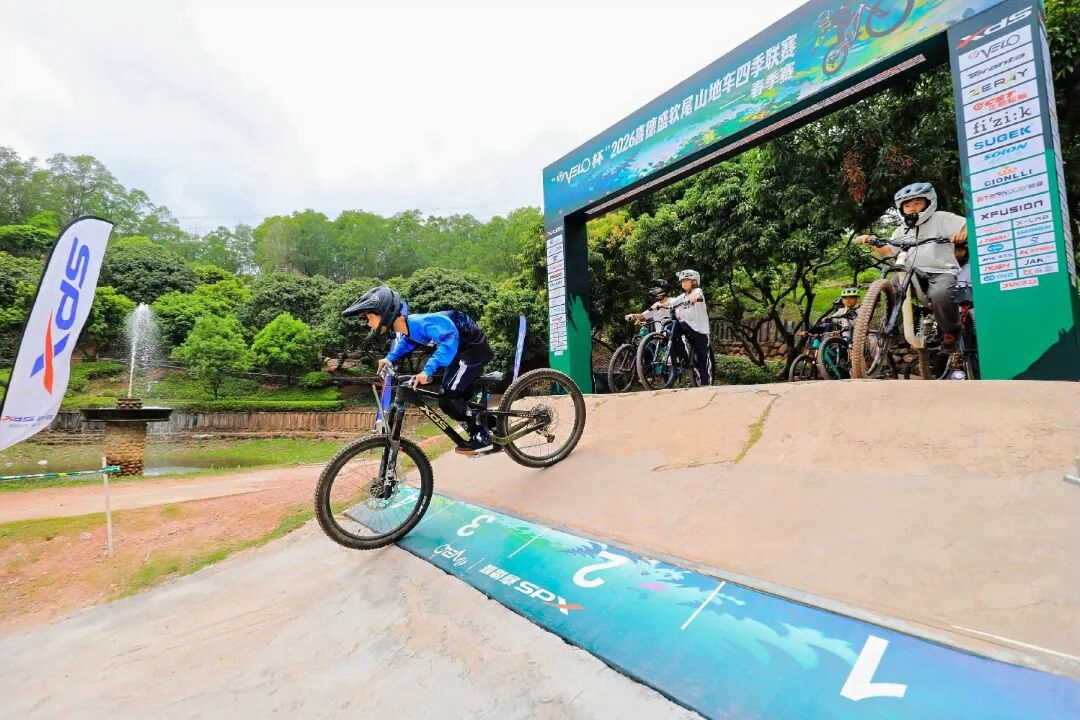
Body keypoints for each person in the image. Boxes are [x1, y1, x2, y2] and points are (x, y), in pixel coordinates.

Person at [343, 285, 495, 455]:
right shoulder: (408, 327)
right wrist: (389, 359)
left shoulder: (423, 322)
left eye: (369, 317)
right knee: (455, 397)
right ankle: (492, 423)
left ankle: (482, 438)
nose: (368, 323)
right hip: (458, 353)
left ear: (386, 313)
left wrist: (427, 371)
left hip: (471, 351)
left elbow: (448, 340)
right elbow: (408, 342)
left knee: (449, 399)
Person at [855, 182, 968, 351]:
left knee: (941, 293)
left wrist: (963, 233)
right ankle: (891, 329)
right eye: (907, 205)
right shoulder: (902, 230)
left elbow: (967, 225)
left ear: (929, 202)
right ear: (902, 209)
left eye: (917, 203)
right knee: (892, 287)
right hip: (911, 273)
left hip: (941, 271)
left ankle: (951, 330)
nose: (912, 208)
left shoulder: (942, 218)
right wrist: (870, 241)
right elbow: (888, 250)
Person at [652, 269, 715, 386]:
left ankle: (706, 384)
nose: (683, 283)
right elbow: (671, 303)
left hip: (699, 329)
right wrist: (660, 305)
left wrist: (695, 299)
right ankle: (683, 359)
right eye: (682, 281)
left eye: (686, 281)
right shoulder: (682, 296)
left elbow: (698, 296)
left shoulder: (697, 291)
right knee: (670, 329)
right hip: (685, 325)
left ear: (694, 282)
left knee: (702, 356)